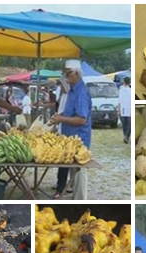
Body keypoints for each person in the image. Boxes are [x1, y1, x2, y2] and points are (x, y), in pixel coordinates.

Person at [52, 59, 92, 200]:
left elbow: (82, 119)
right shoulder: (72, 90)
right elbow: (70, 113)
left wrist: (61, 119)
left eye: (68, 74)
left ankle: (81, 200)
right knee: (73, 173)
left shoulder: (81, 92)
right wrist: (60, 116)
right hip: (70, 139)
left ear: (77, 74)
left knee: (80, 173)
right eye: (65, 74)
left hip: (79, 139)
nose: (66, 77)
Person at [118, 76, 131, 143]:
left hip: (123, 109)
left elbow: (119, 101)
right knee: (129, 124)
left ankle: (125, 136)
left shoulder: (122, 90)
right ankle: (126, 136)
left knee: (125, 124)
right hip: (128, 109)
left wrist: (119, 110)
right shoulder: (129, 91)